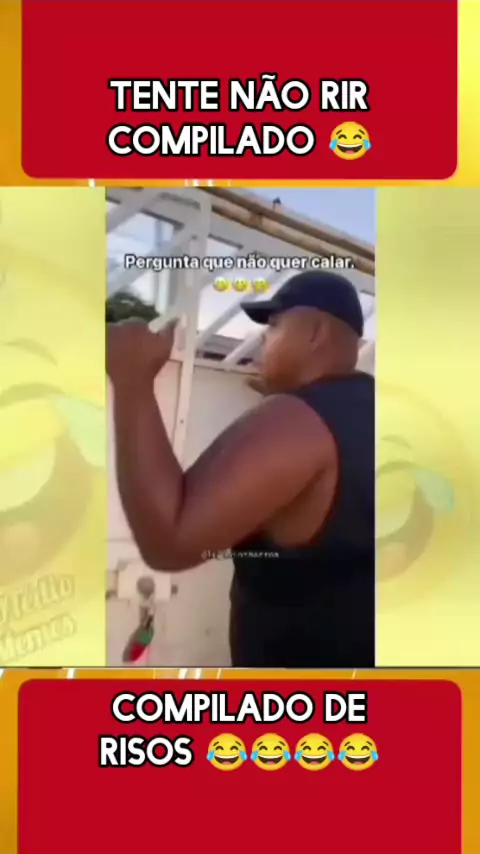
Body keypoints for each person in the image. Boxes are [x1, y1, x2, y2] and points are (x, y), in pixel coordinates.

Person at [108, 270, 374, 667]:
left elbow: (170, 542)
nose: (263, 338)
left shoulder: (297, 419)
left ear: (315, 333)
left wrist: (132, 379)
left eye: (274, 325)